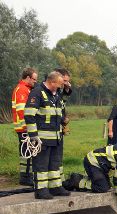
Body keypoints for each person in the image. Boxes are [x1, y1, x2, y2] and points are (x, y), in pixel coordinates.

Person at [24, 71, 70, 199]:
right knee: (41, 165)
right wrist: (34, 136)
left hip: (55, 137)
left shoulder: (55, 95)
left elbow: (58, 113)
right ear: (52, 82)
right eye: (59, 84)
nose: (61, 87)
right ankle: (41, 190)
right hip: (42, 138)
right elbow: (29, 114)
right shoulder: (37, 93)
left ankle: (55, 187)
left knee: (54, 164)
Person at [63, 141, 117, 206]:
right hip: (92, 162)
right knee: (102, 187)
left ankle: (80, 178)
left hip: (100, 164)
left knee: (108, 186)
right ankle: (75, 181)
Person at [11, 67, 38, 186]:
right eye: (34, 79)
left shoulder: (24, 89)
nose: (35, 82)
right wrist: (27, 126)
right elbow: (22, 110)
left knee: (27, 152)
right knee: (26, 152)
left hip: (23, 127)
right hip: (24, 128)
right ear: (27, 77)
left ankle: (26, 175)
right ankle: (26, 177)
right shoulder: (22, 90)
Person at [54, 68, 72, 182]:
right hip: (52, 128)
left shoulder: (58, 91)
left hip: (59, 126)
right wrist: (62, 119)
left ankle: (60, 179)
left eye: (67, 81)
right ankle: (56, 180)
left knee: (58, 155)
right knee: (54, 156)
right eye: (64, 81)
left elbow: (63, 103)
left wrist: (67, 89)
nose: (66, 83)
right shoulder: (49, 92)